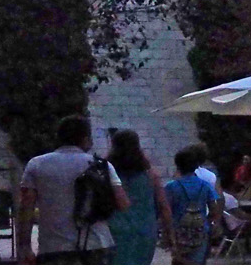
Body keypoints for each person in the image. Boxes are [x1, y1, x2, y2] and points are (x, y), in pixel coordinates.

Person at [17, 114, 130, 265]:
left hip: (53, 247)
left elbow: (26, 208)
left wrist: (24, 246)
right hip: (97, 243)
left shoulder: (36, 164)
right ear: (85, 138)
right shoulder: (101, 166)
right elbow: (123, 203)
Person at [106, 130, 173, 265]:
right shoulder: (150, 174)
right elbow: (163, 205)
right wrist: (169, 232)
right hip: (145, 229)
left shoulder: (107, 172)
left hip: (115, 229)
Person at [165, 147, 224, 264]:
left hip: (178, 231)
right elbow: (214, 208)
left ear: (177, 165)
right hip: (200, 230)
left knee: (179, 261)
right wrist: (214, 223)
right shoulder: (205, 185)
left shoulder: (171, 186)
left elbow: (166, 210)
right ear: (196, 166)